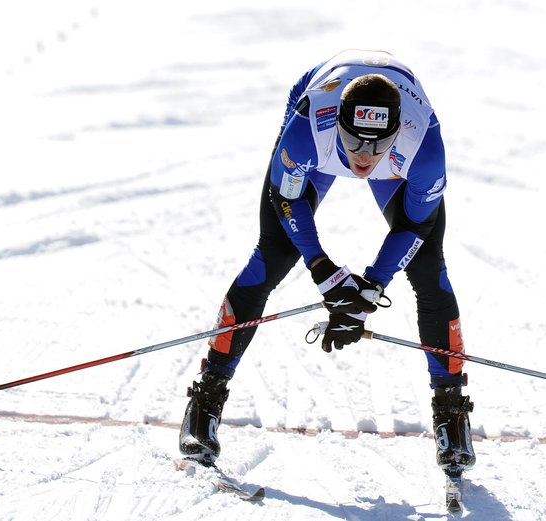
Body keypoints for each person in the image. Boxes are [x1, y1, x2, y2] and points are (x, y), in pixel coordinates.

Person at [178, 49, 475, 477]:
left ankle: (451, 410)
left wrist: (369, 289)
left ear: (397, 131)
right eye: (354, 141)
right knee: (273, 256)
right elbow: (288, 199)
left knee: (429, 270)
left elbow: (416, 228)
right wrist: (323, 270)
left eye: (377, 144)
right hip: (318, 126)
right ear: (337, 121)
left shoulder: (423, 145)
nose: (363, 158)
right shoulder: (307, 127)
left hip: (400, 160)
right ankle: (206, 397)